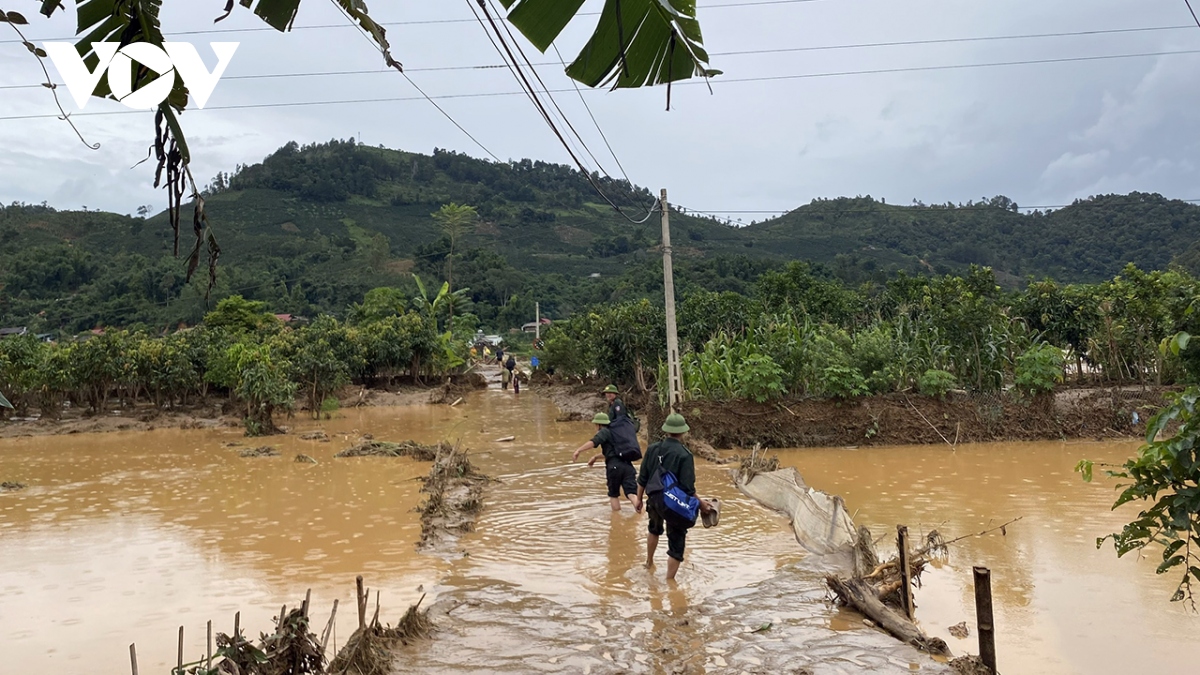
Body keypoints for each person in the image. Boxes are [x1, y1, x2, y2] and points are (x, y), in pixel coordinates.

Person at [636, 413, 712, 581]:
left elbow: (643, 477)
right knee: (676, 542)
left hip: (654, 500)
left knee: (653, 529)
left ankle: (649, 562)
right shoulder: (685, 455)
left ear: (666, 431)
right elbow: (688, 489)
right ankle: (670, 583)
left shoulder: (653, 448)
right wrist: (702, 504)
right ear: (683, 432)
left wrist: (639, 499)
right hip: (674, 505)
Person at [573, 413, 638, 511]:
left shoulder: (604, 432)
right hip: (628, 466)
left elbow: (594, 442)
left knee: (614, 494)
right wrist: (595, 457)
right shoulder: (617, 433)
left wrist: (579, 450)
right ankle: (641, 515)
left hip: (614, 467)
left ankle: (616, 521)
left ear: (598, 425)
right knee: (631, 494)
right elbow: (612, 452)